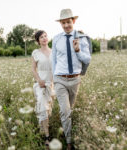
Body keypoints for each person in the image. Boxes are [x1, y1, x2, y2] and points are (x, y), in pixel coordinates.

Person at [52, 9, 91, 150]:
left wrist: (78, 51)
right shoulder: (56, 38)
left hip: (75, 80)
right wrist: (54, 77)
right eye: (63, 23)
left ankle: (67, 130)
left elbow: (88, 59)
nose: (66, 25)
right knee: (65, 111)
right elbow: (54, 60)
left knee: (70, 110)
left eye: (68, 22)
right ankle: (69, 142)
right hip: (60, 79)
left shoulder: (82, 37)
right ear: (61, 23)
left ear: (73, 21)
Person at [32, 30, 53, 149]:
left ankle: (43, 129)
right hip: (40, 84)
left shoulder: (53, 52)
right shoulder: (36, 53)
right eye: (41, 37)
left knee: (48, 109)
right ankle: (46, 136)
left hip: (52, 84)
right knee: (42, 107)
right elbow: (33, 69)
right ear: (38, 41)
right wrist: (39, 80)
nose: (44, 38)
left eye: (45, 36)